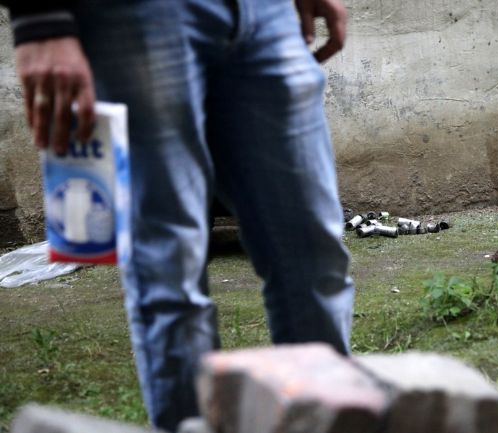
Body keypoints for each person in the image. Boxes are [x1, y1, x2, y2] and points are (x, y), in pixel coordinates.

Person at [2, 1, 354, 431]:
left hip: (268, 11)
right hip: (131, 16)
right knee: (168, 269)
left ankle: (328, 420)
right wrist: (39, 21)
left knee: (314, 256)